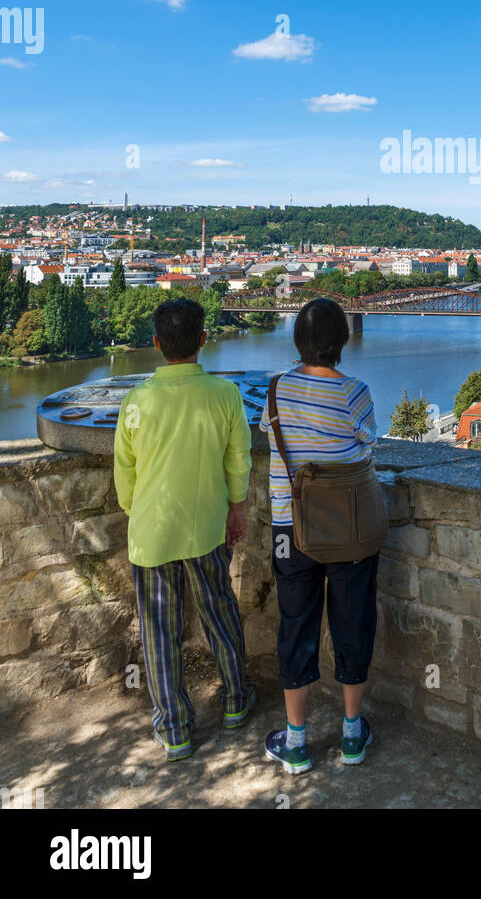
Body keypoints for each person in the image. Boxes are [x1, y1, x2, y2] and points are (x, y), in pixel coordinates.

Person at [113, 298, 254, 759]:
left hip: (152, 531)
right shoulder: (225, 395)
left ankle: (175, 728)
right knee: (219, 611)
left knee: (159, 630)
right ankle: (235, 701)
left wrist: (138, 512)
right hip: (207, 525)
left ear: (155, 344)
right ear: (203, 340)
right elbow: (238, 461)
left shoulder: (136, 401)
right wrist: (236, 508)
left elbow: (125, 474)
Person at [259, 296, 378, 775]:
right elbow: (369, 442)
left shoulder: (275, 392)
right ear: (342, 341)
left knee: (295, 624)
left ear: (298, 343)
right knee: (353, 622)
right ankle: (351, 733)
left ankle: (296, 741)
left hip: (292, 528)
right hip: (347, 525)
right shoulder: (356, 391)